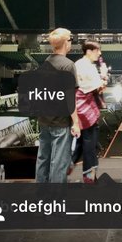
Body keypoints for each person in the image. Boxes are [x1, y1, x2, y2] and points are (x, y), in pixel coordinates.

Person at [35, 28, 80, 183]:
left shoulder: (45, 63)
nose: (71, 42)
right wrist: (76, 122)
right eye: (70, 39)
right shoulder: (68, 66)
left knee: (43, 159)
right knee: (59, 163)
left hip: (44, 120)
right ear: (66, 43)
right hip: (60, 122)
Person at [70, 40, 108, 183]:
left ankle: (69, 165)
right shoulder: (85, 66)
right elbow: (97, 87)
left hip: (81, 109)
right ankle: (89, 177)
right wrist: (104, 76)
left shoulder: (80, 64)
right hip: (86, 111)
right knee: (90, 145)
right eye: (97, 50)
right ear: (89, 51)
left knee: (81, 143)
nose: (100, 53)